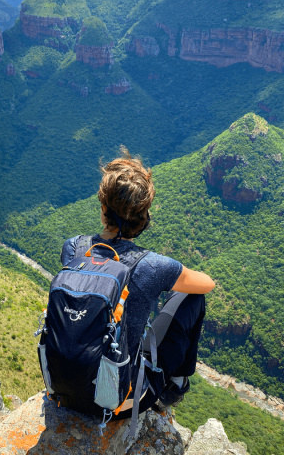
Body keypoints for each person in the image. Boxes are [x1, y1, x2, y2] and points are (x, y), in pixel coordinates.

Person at [60, 148, 215, 415]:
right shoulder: (154, 265)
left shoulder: (74, 248)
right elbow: (207, 283)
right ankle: (175, 386)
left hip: (66, 390)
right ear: (145, 216)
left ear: (103, 208)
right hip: (120, 401)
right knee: (191, 298)